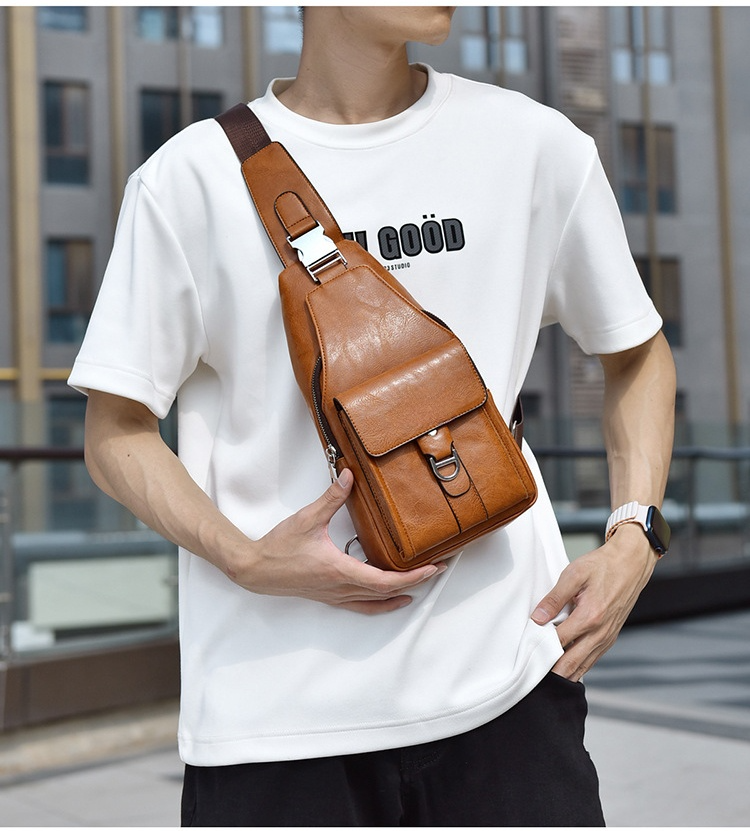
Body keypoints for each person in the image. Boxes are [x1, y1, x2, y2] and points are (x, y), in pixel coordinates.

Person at [70, 6, 676, 826]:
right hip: (272, 721)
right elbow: (115, 431)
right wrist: (245, 558)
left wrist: (635, 536)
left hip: (508, 690)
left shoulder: (533, 145)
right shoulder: (188, 180)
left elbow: (635, 351)